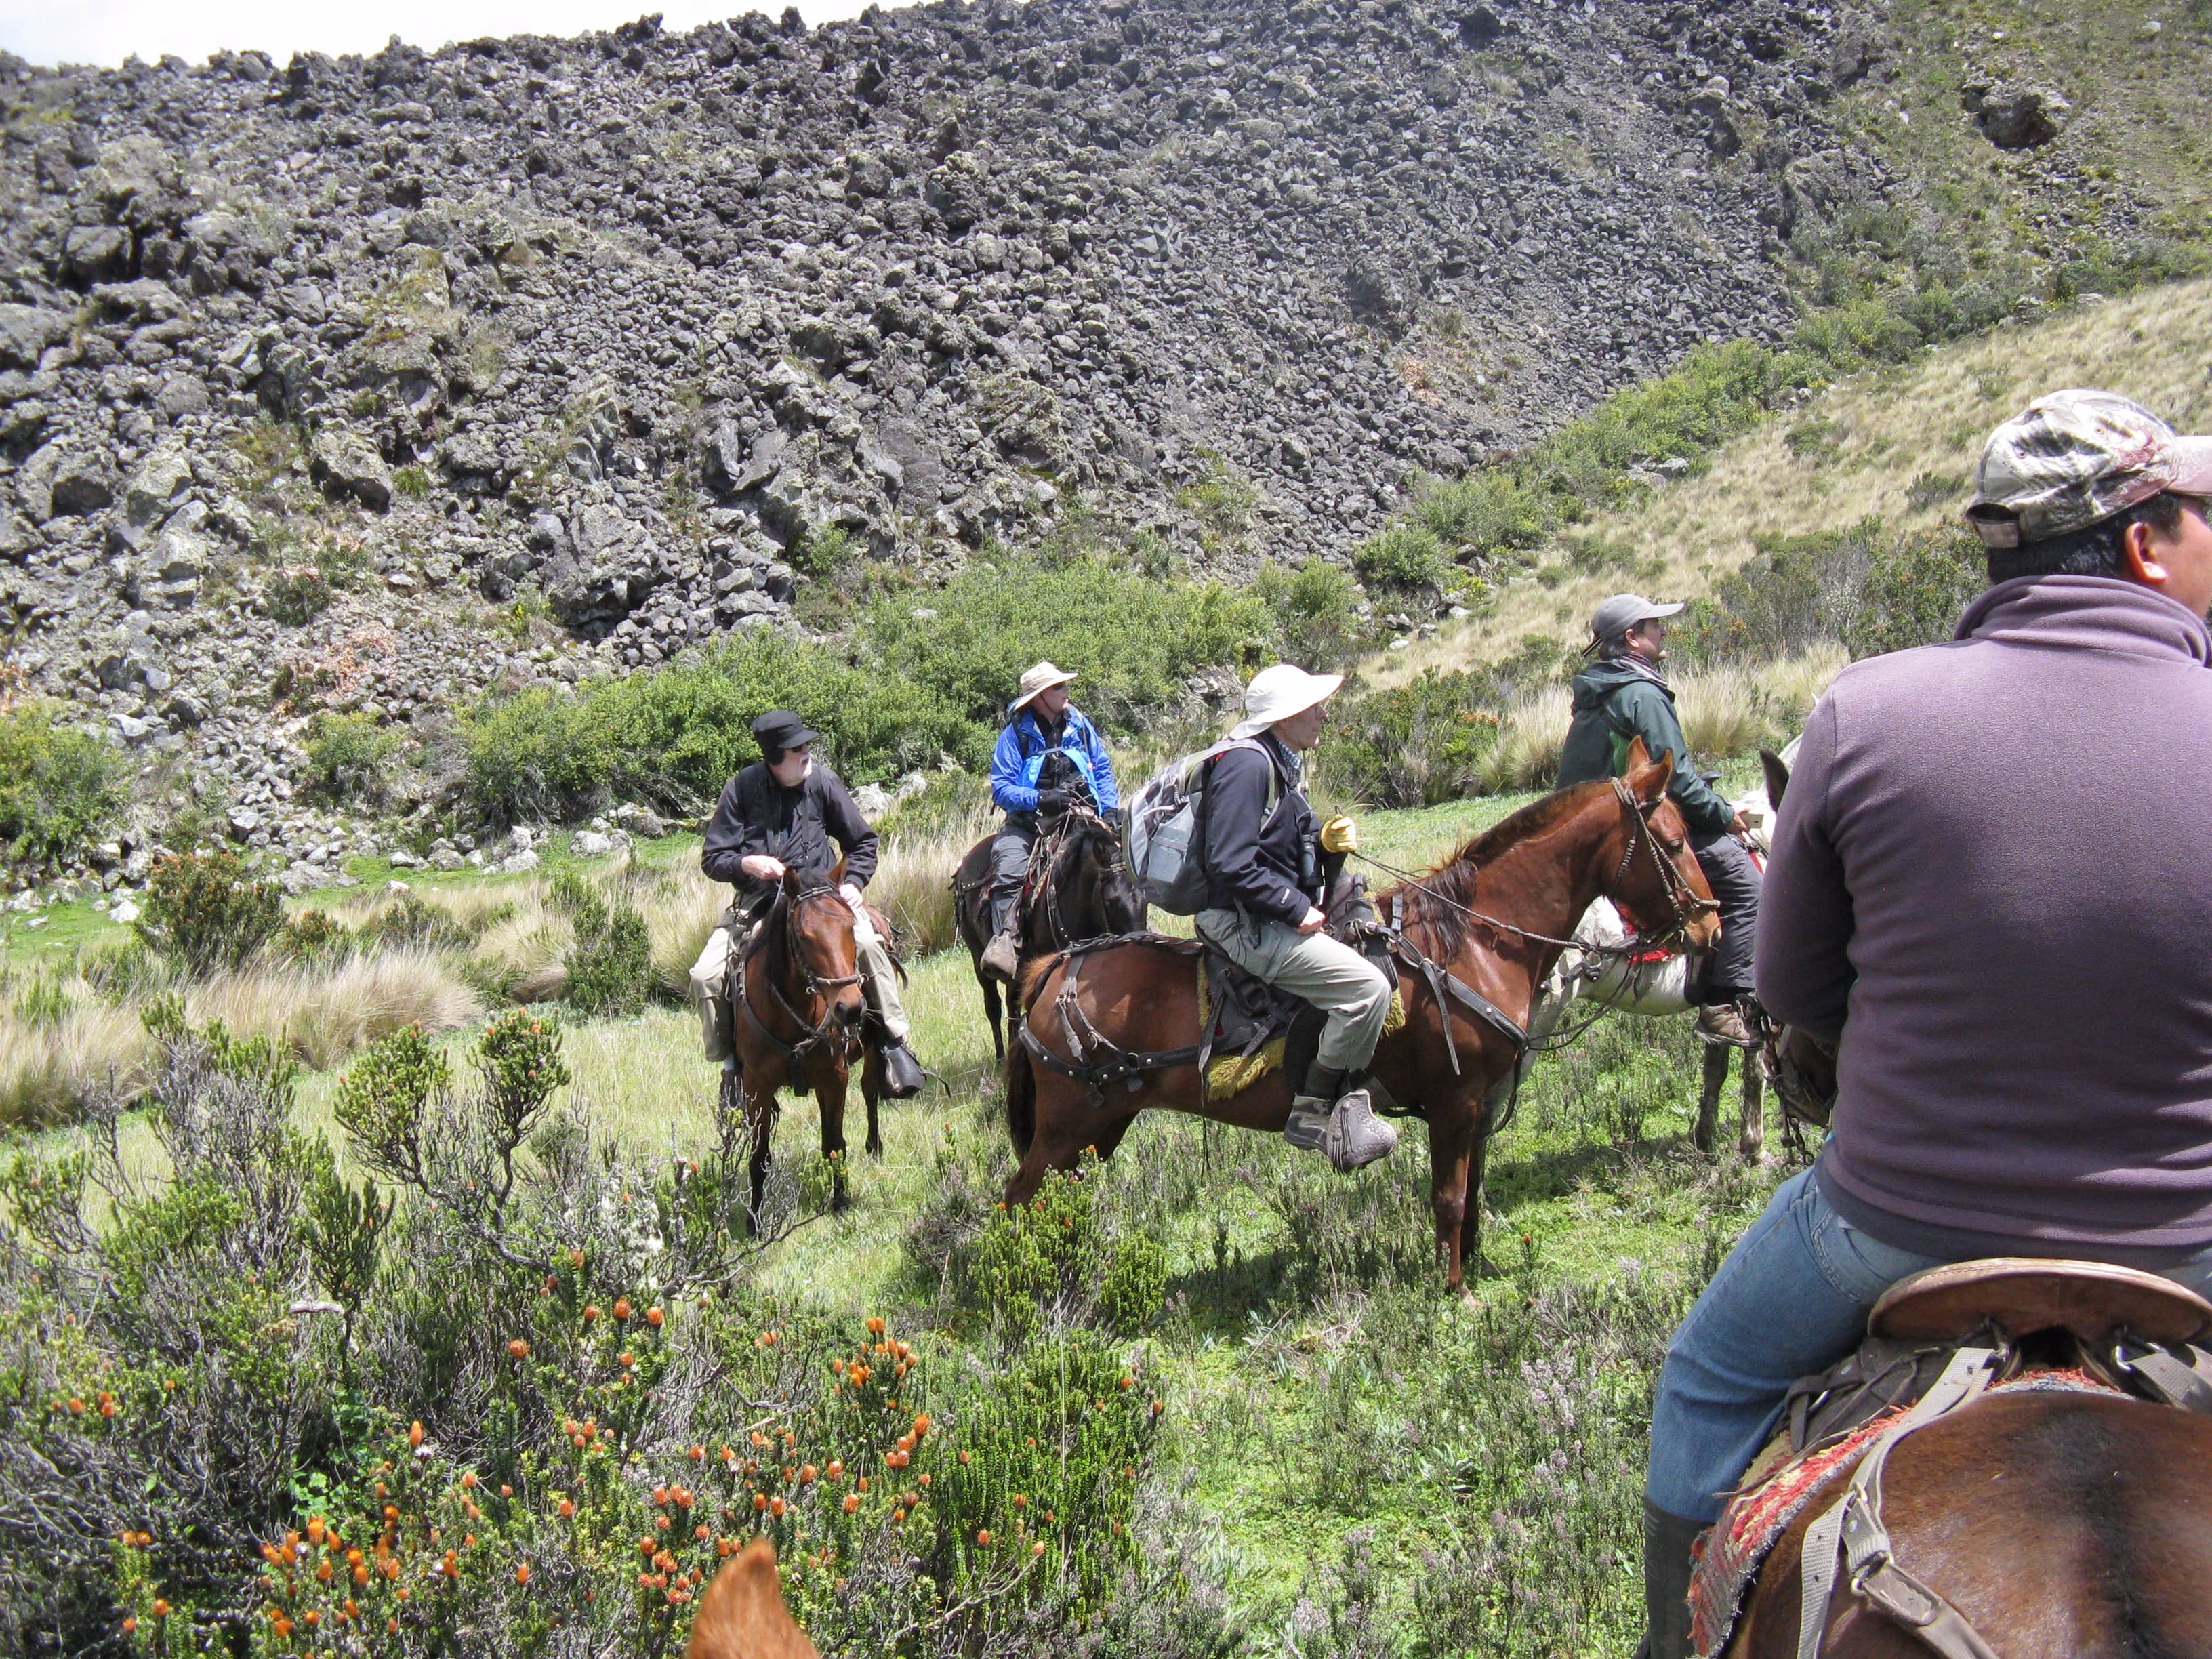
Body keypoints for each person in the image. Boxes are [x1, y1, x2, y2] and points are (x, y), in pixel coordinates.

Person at [1634, 388, 2212, 1659]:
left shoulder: (1862, 710)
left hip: (1893, 1221)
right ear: (2139, 542)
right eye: (2199, 513)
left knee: (1704, 1382)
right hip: (2188, 1231)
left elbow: (1792, 991)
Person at [1193, 663, 1395, 1172]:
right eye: (1313, 706)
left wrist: (1325, 849)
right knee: (1368, 990)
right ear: (1284, 717)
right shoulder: (1249, 767)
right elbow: (1229, 862)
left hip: (1261, 912)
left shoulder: (1280, 762)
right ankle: (1312, 1109)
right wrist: (1295, 907)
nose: (1323, 714)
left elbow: (1281, 852)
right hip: (1244, 923)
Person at [1557, 594, 1763, 1047]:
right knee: (1750, 889)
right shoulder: (1642, 694)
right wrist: (1725, 815)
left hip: (1593, 821)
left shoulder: (1597, 691)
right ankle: (1724, 1004)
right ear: (1632, 638)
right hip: (1634, 825)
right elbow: (1680, 783)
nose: (1663, 631)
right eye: (1654, 625)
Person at [687, 710, 924, 1098]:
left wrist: (853, 883)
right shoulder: (741, 788)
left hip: (824, 901)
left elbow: (863, 842)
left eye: (806, 746)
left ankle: (894, 1044)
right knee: (706, 976)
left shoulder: (824, 782)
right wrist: (746, 863)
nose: (806, 754)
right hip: (760, 903)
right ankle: (731, 1066)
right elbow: (714, 859)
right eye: (797, 749)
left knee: (867, 945)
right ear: (775, 756)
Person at [978, 661, 1121, 982]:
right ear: (1040, 697)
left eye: (1064, 685)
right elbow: (1002, 788)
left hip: (1082, 815)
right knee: (1009, 868)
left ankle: (1133, 932)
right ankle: (1007, 941)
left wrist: (1110, 809)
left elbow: (1101, 767)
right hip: (1030, 824)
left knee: (1119, 864)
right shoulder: (1015, 734)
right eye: (1058, 687)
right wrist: (1041, 798)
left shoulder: (1080, 724)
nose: (1066, 691)